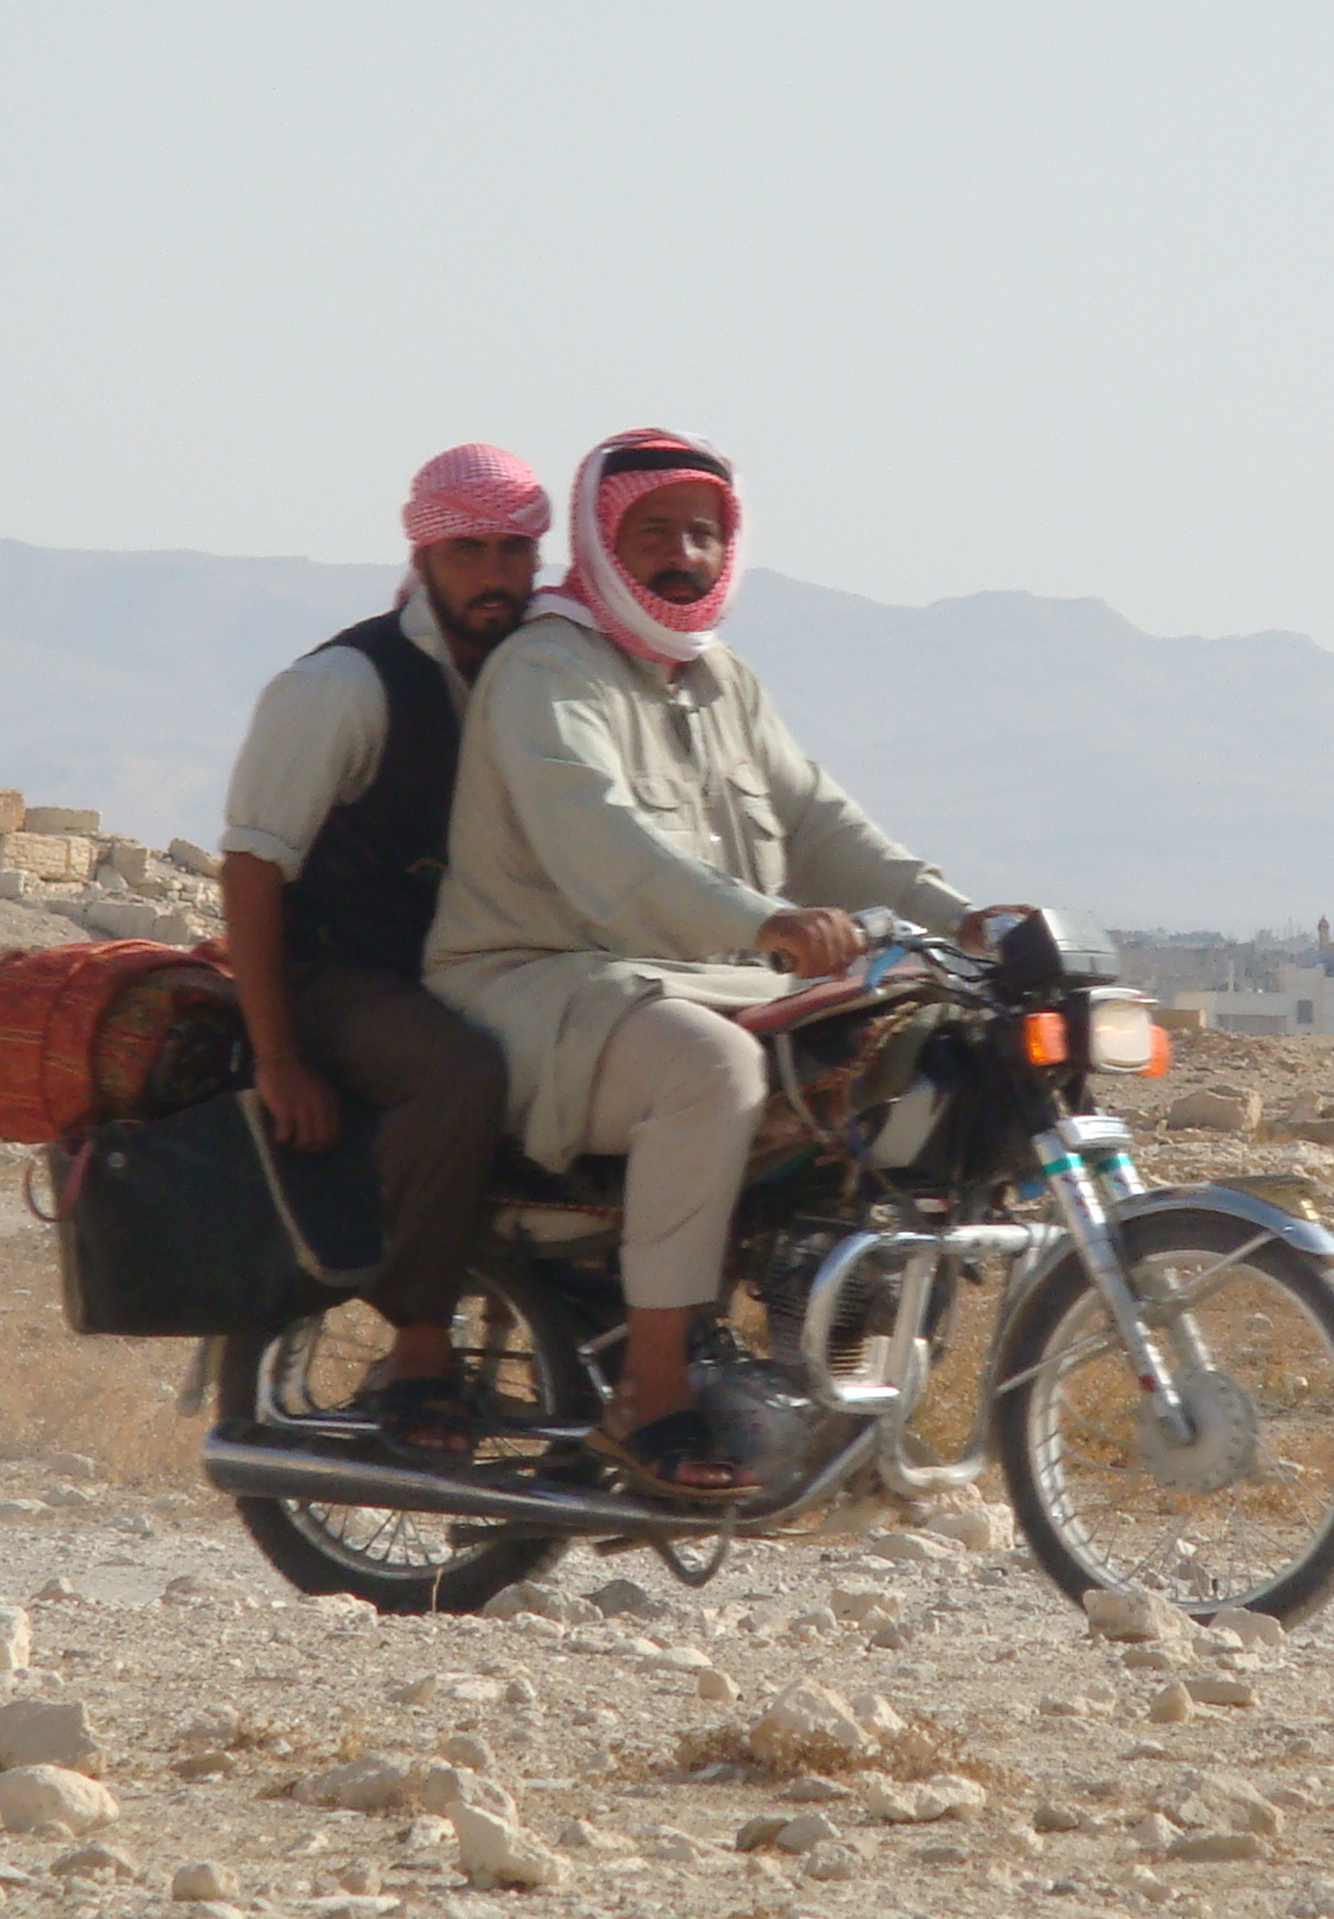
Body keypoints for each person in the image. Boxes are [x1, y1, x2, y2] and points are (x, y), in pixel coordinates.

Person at [427, 429, 1015, 1500]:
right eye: (653, 531)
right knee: (712, 1069)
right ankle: (649, 1397)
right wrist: (768, 922)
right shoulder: (547, 669)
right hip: (537, 985)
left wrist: (971, 923)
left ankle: (830, 1383)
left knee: (904, 1054)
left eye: (703, 533)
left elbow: (827, 826)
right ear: (601, 543)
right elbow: (608, 853)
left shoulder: (721, 680)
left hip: (692, 981)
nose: (683, 555)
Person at [217, 443, 548, 1460]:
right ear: (423, 555)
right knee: (458, 1074)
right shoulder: (344, 686)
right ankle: (418, 1348)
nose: (493, 575)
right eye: (467, 551)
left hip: (465, 963)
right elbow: (252, 871)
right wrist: (279, 1056)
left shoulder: (543, 675)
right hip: (334, 973)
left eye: (512, 551)